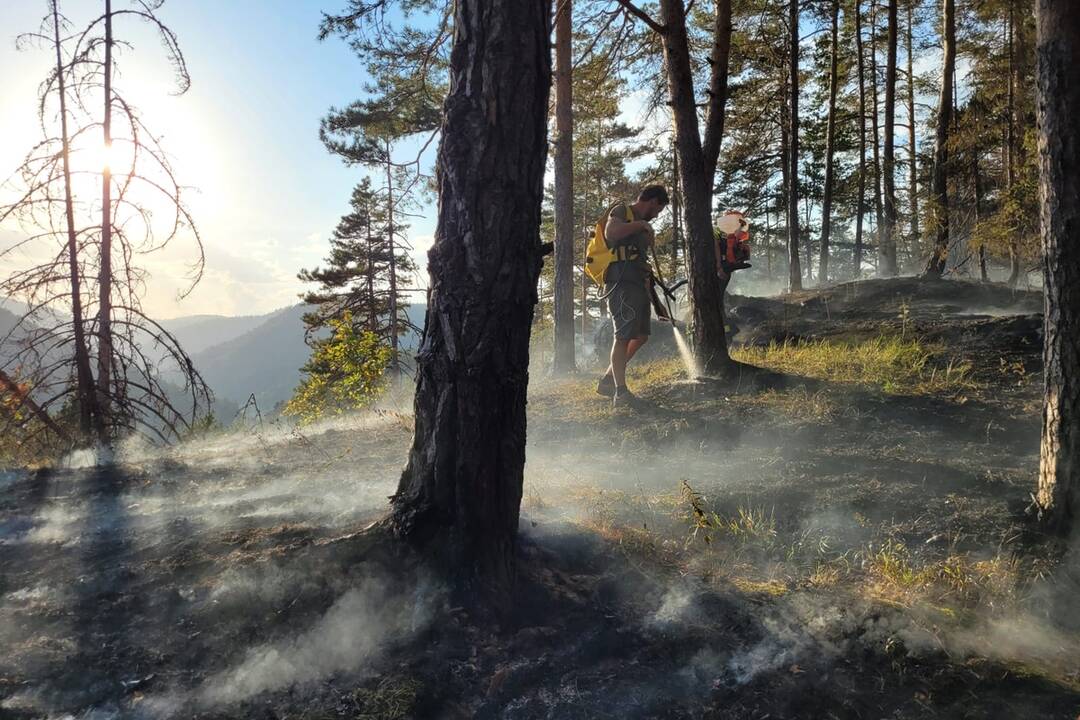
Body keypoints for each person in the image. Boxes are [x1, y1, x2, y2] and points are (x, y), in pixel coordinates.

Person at [595, 185, 670, 407]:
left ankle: (609, 379)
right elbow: (612, 233)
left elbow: (644, 265)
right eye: (658, 210)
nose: (656, 215)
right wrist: (641, 224)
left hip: (638, 283)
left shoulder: (643, 229)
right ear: (652, 201)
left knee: (641, 335)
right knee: (623, 335)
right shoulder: (621, 211)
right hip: (620, 282)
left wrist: (657, 304)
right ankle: (621, 392)